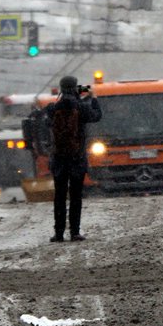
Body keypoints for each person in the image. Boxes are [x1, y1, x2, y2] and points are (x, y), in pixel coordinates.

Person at [43, 75, 102, 243]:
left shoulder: (53, 108)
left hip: (59, 159)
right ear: (76, 87)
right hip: (77, 158)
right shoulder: (81, 107)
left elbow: (47, 124)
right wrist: (94, 98)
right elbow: (97, 116)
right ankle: (75, 232)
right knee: (75, 195)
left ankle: (59, 233)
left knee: (60, 196)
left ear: (61, 88)